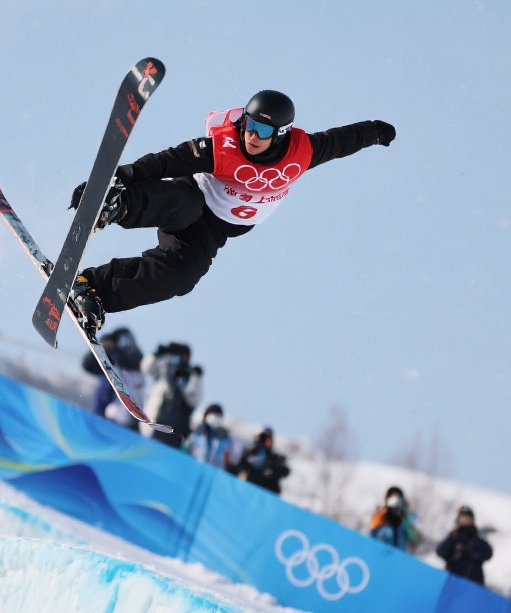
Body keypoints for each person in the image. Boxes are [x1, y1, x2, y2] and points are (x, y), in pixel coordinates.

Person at [67, 90, 396, 331]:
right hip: (191, 196)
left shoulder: (303, 153)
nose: (252, 135)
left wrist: (376, 131)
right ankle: (118, 206)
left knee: (182, 276)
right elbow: (166, 161)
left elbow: (345, 139)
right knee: (185, 205)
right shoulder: (222, 148)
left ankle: (91, 288)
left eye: (264, 131)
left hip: (212, 230)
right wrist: (112, 183)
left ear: (280, 134)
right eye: (249, 125)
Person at [139, 341, 203, 446]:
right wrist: (157, 354)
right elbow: (146, 367)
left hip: (175, 430)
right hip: (153, 425)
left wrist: (180, 387)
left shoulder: (191, 377)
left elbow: (194, 400)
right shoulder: (163, 372)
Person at [82, 326, 145, 429]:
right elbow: (87, 365)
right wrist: (100, 348)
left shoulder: (133, 365)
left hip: (128, 423)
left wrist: (114, 351)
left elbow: (134, 359)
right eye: (122, 341)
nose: (126, 345)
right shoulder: (108, 364)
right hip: (105, 418)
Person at [435, 505, 493, 585]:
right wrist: (453, 538)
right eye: (462, 517)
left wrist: (470, 546)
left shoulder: (476, 538)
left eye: (468, 518)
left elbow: (488, 553)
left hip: (472, 585)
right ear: (458, 519)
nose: (465, 520)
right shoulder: (453, 537)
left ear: (472, 520)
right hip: (452, 582)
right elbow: (440, 551)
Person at [231, 427, 290, 495]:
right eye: (266, 438)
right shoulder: (251, 452)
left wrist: (276, 469)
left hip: (265, 491)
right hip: (249, 488)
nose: (269, 441)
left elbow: (285, 471)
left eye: (270, 439)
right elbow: (240, 467)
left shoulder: (273, 457)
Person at [369, 486, 421, 552]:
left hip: (398, 559)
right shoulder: (380, 519)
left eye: (399, 499)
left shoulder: (405, 525)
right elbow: (372, 533)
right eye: (393, 498)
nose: (396, 503)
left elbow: (413, 536)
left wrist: (406, 513)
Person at [186, 403, 234, 469]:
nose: (215, 417)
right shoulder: (196, 433)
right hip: (195, 469)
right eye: (213, 414)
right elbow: (187, 450)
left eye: (218, 415)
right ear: (206, 415)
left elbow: (229, 459)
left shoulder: (225, 438)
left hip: (215, 474)